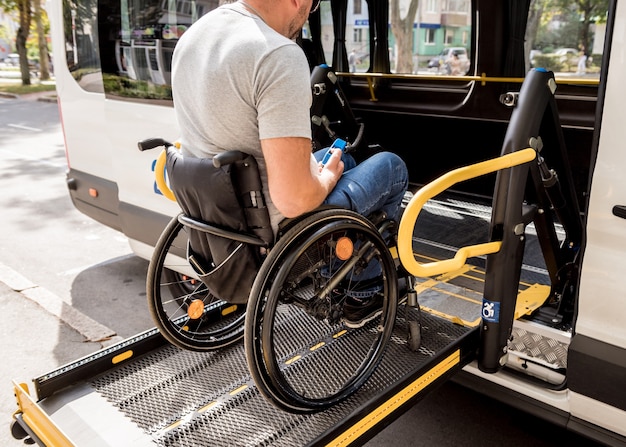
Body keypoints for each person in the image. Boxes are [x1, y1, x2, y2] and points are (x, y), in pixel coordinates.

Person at [171, 0, 408, 327]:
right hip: (278, 232)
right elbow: (295, 200)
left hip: (224, 218)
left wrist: (325, 170)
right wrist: (325, 179)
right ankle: (362, 292)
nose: (309, 12)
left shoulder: (193, 38)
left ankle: (340, 265)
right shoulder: (277, 54)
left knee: (346, 157)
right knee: (392, 168)